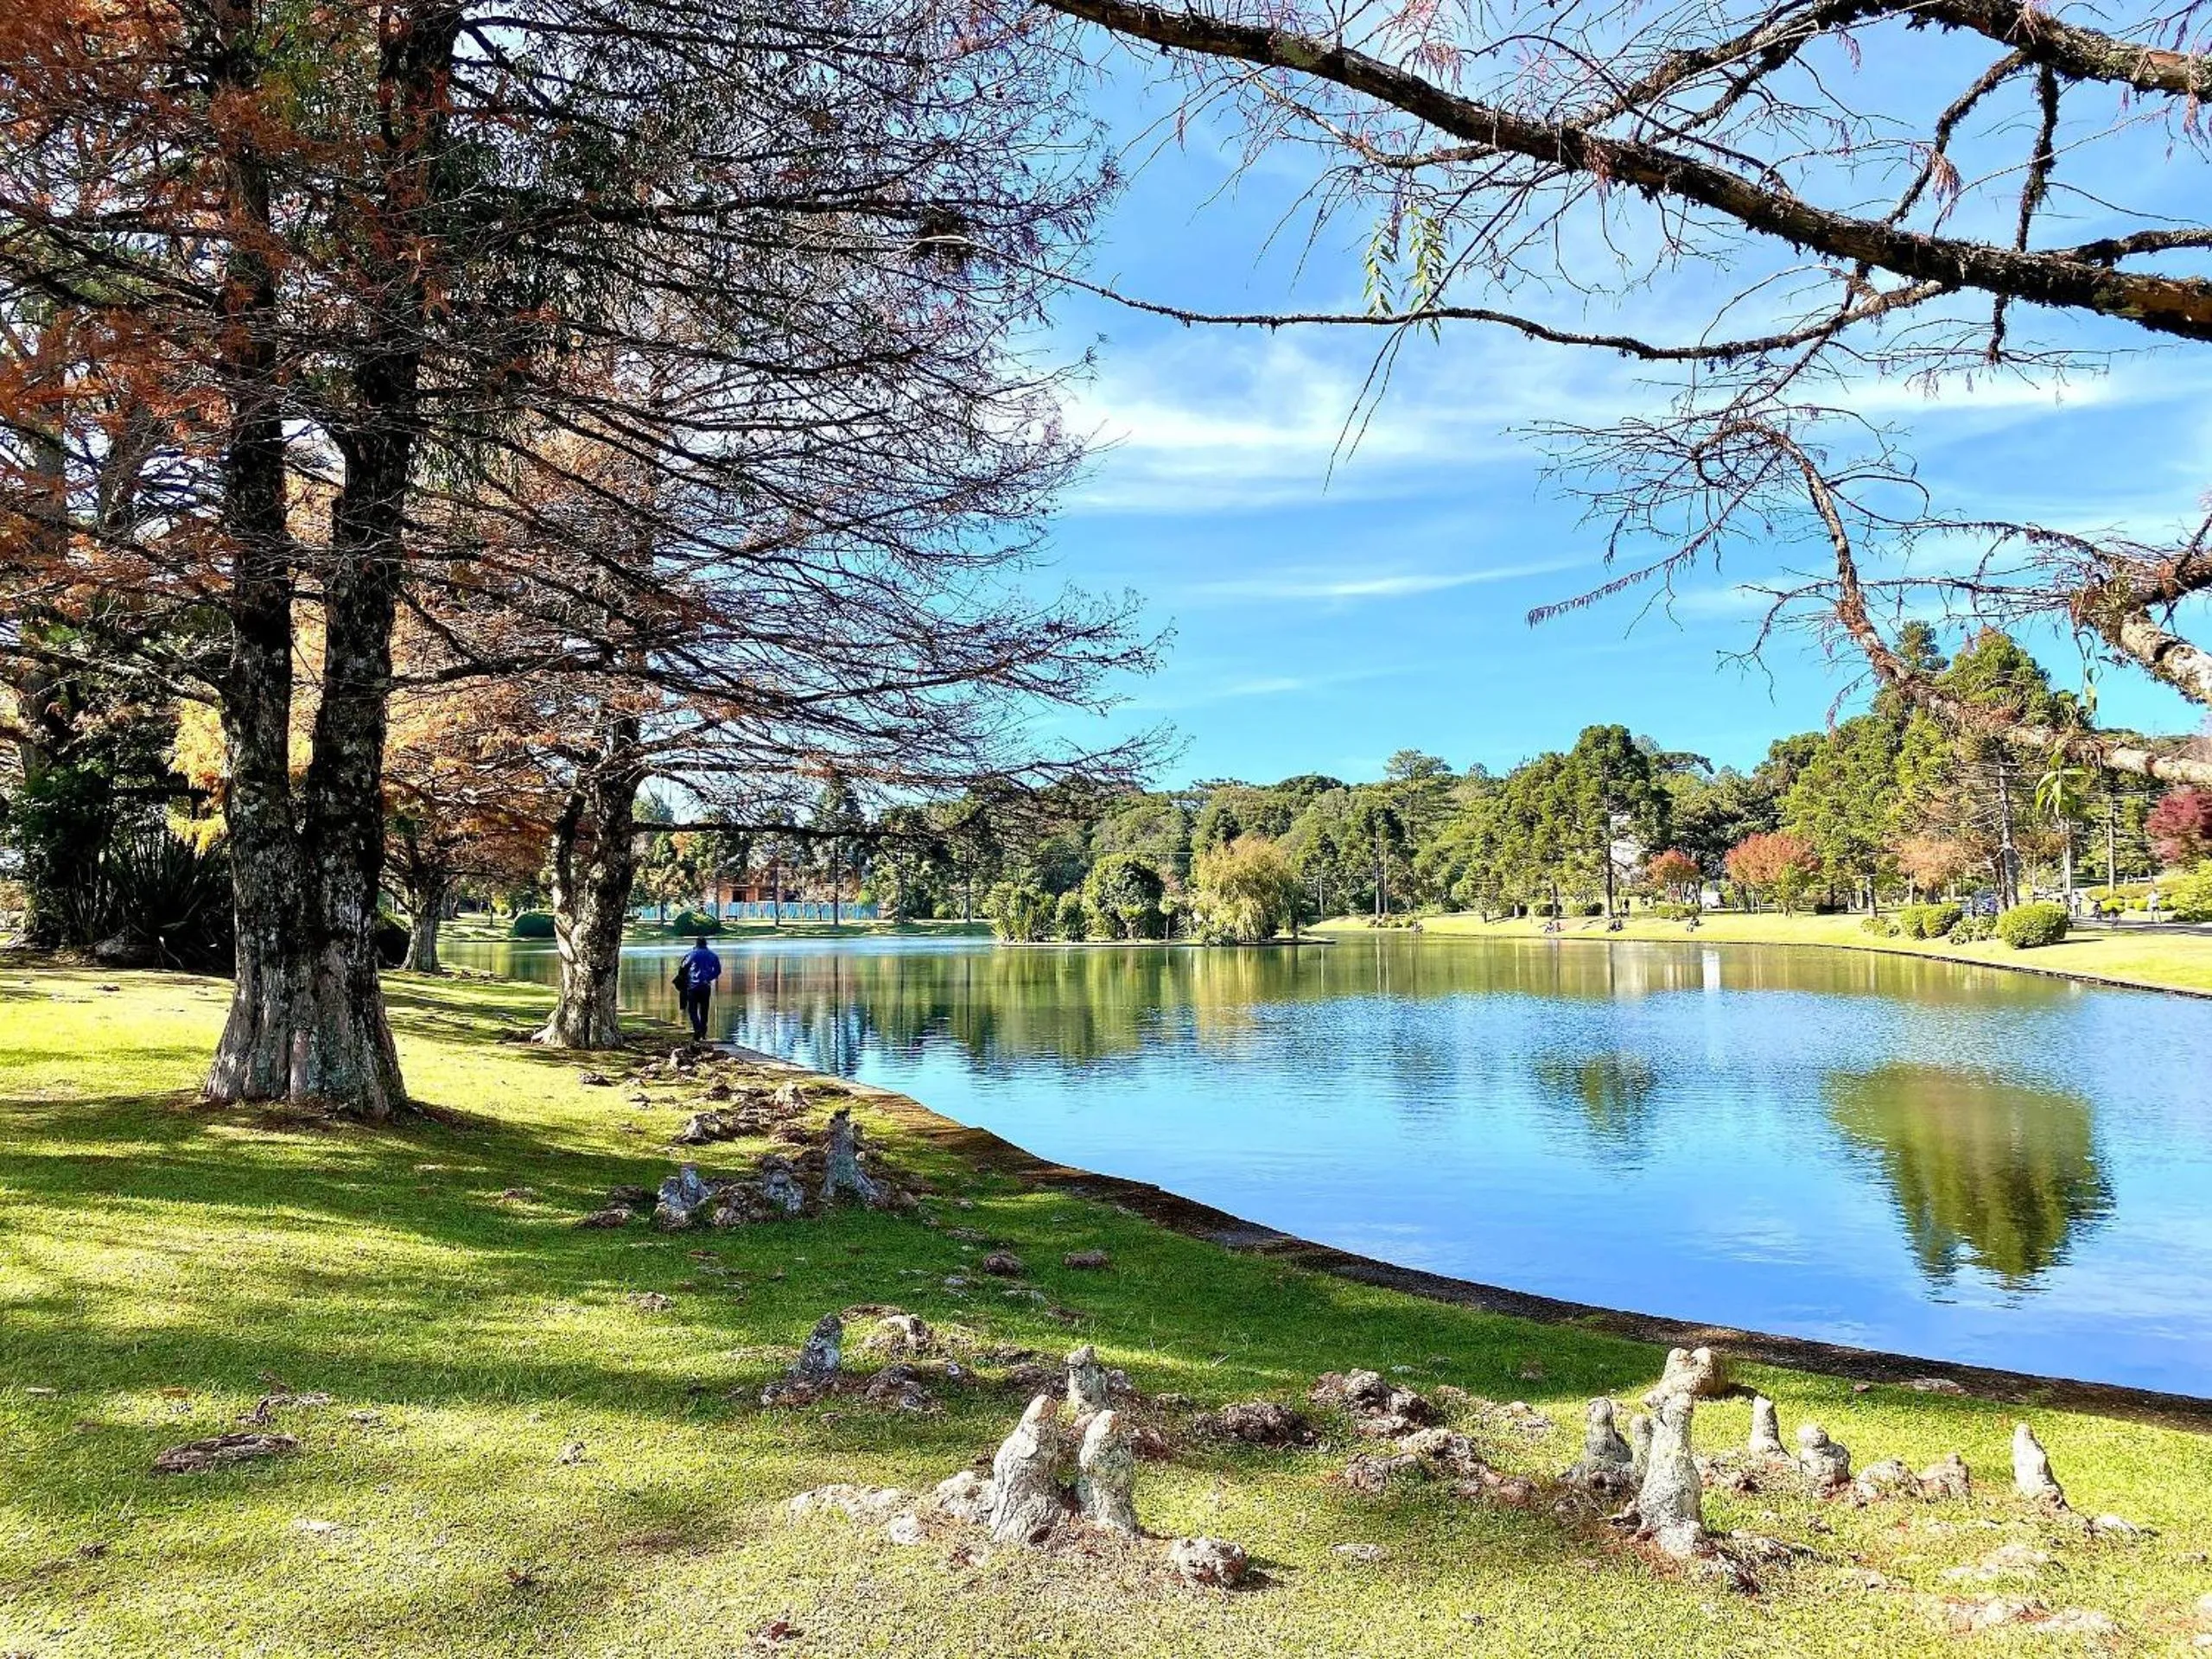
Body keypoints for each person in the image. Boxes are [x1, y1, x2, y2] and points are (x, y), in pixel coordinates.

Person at [674, 934, 722, 1040]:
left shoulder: (692, 954)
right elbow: (718, 970)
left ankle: (697, 1029)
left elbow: (683, 967)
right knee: (704, 1010)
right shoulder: (713, 955)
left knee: (692, 1010)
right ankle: (703, 1032)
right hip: (706, 986)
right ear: (706, 944)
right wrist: (709, 978)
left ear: (696, 944)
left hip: (693, 986)